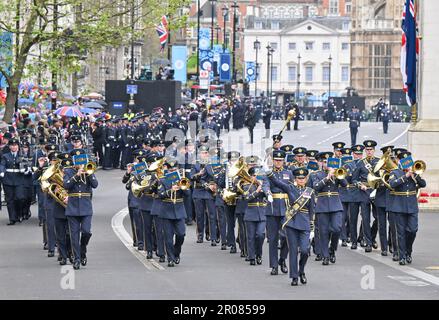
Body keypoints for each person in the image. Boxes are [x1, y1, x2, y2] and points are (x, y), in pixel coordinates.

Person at [268, 168, 314, 286]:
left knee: (304, 251)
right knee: (293, 251)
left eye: (303, 178)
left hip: (304, 224)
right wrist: (269, 173)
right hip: (292, 223)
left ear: (306, 179)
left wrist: (312, 226)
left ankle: (301, 271)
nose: (301, 180)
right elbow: (278, 183)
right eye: (299, 178)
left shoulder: (310, 192)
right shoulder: (290, 188)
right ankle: (294, 277)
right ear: (295, 179)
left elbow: (312, 210)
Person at [388, 151, 426, 265]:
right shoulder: (395, 172)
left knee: (413, 230)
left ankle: (408, 251)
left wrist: (415, 176)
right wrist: (406, 176)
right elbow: (392, 184)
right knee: (401, 233)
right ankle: (402, 256)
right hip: (399, 206)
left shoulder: (415, 172)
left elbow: (423, 184)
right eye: (404, 160)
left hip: (412, 206)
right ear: (399, 161)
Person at [63, 149, 99, 270]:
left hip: (86, 207)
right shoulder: (68, 171)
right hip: (72, 207)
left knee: (86, 232)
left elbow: (95, 184)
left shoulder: (89, 169)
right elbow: (66, 185)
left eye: (81, 159)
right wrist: (76, 175)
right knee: (74, 236)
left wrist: (89, 173)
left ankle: (83, 249)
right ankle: (77, 259)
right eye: (77, 160)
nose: (80, 162)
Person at [312, 152, 347, 265]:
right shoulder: (316, 174)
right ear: (321, 163)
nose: (326, 164)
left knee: (337, 228)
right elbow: (316, 187)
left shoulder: (337, 172)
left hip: (335, 204)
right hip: (322, 205)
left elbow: (345, 184)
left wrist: (337, 174)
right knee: (323, 232)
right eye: (324, 162)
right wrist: (327, 178)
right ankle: (325, 255)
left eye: (328, 162)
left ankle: (332, 249)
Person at [265, 150, 292, 275]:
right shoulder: (268, 173)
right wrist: (268, 193)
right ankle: (274, 265)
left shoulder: (289, 173)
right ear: (273, 161)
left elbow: (292, 188)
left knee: (287, 236)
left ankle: (282, 259)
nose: (278, 162)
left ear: (283, 161)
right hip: (272, 207)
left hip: (286, 207)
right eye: (276, 160)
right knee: (273, 238)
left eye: (280, 160)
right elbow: (265, 185)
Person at [157, 159, 188, 267]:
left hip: (179, 210)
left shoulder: (182, 179)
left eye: (174, 169)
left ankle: (176, 252)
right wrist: (171, 190)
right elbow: (160, 195)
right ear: (167, 170)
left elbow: (188, 194)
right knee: (168, 237)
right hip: (166, 211)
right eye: (170, 170)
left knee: (181, 234)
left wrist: (182, 187)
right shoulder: (162, 180)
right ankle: (170, 258)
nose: (172, 172)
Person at [352, 140, 379, 253]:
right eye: (367, 150)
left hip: (376, 192)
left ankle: (372, 237)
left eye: (371, 150)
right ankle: (368, 242)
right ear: (365, 151)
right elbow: (354, 179)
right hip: (364, 192)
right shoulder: (360, 163)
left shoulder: (379, 162)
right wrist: (360, 185)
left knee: (378, 218)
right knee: (366, 219)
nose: (369, 151)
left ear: (374, 150)